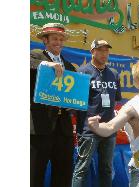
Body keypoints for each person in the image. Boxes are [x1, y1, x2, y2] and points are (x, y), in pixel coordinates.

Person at [30, 23, 77, 187]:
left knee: (63, 174)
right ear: (45, 40)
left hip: (63, 129)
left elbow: (73, 96)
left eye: (61, 39)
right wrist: (47, 65)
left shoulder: (70, 66)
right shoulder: (35, 56)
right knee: (34, 173)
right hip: (40, 127)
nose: (58, 42)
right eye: (55, 38)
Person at [72, 39, 122, 187]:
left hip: (109, 130)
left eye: (106, 50)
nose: (104, 53)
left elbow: (116, 100)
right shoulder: (82, 72)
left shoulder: (113, 73)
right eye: (100, 50)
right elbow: (75, 101)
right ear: (92, 51)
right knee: (82, 169)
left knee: (106, 169)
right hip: (88, 130)